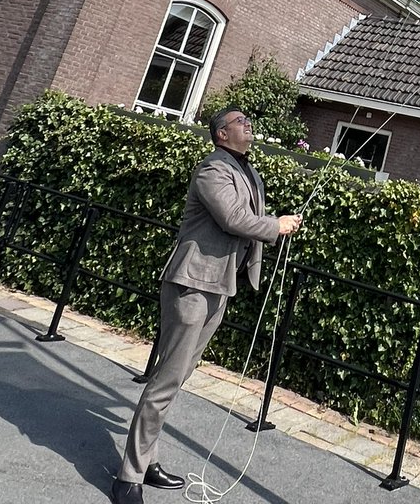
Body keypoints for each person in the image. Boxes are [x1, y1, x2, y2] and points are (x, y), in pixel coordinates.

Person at [111, 107, 302, 502]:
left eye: (249, 120)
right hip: (191, 283)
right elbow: (234, 217)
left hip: (219, 285)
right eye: (239, 121)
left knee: (176, 377)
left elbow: (249, 214)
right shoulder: (212, 169)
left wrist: (274, 224)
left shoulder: (246, 169)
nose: (248, 124)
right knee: (166, 379)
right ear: (220, 134)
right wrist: (275, 226)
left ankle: (147, 461)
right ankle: (128, 476)